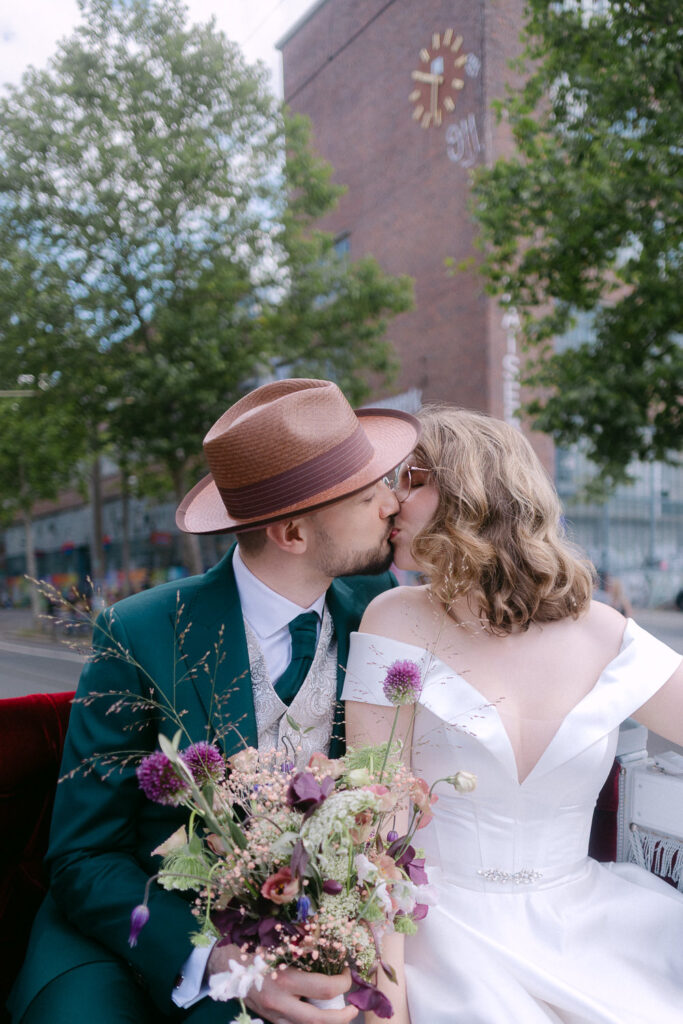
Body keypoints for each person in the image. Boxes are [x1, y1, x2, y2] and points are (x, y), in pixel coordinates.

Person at [9, 378, 419, 1024]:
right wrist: (222, 962)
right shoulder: (139, 634)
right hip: (134, 942)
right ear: (290, 532)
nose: (393, 504)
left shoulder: (383, 616)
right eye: (370, 495)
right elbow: (83, 856)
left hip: (308, 936)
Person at [343, 406, 683, 1024]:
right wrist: (382, 998)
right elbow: (377, 826)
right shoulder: (392, 619)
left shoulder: (608, 636)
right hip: (438, 943)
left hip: (596, 936)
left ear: (473, 492)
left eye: (410, 478)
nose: (389, 503)